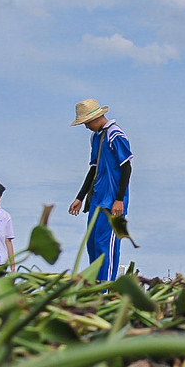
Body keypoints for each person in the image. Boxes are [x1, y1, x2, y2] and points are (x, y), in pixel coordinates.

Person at [67, 99, 133, 282]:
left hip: (113, 202)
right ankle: (95, 286)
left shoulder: (116, 135)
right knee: (93, 243)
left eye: (86, 122)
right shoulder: (95, 137)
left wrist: (119, 199)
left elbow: (126, 167)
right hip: (97, 198)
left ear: (95, 118)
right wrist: (80, 197)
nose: (86, 126)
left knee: (107, 246)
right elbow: (93, 170)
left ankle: (105, 288)